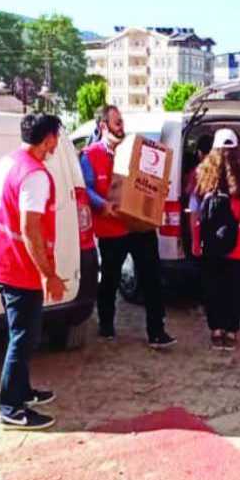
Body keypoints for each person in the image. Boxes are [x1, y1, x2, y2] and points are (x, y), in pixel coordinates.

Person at [0, 113, 66, 431]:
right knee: (24, 338)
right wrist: (48, 274)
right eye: (57, 137)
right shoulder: (35, 175)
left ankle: (23, 391)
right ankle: (11, 409)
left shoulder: (8, 161)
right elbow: (30, 228)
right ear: (49, 139)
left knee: (22, 332)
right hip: (16, 265)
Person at [79, 105, 176, 349]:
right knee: (110, 280)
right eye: (117, 123)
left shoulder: (136, 152)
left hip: (140, 226)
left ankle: (157, 331)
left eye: (122, 122)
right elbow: (86, 189)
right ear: (104, 126)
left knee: (152, 279)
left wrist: (159, 189)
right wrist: (104, 205)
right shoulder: (89, 155)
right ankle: (106, 324)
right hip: (112, 229)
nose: (122, 128)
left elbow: (151, 181)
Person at [190, 128, 240, 351]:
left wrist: (194, 241)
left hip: (209, 242)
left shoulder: (201, 176)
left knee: (212, 287)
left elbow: (194, 213)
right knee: (234, 289)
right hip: (237, 245)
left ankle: (215, 330)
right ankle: (231, 332)